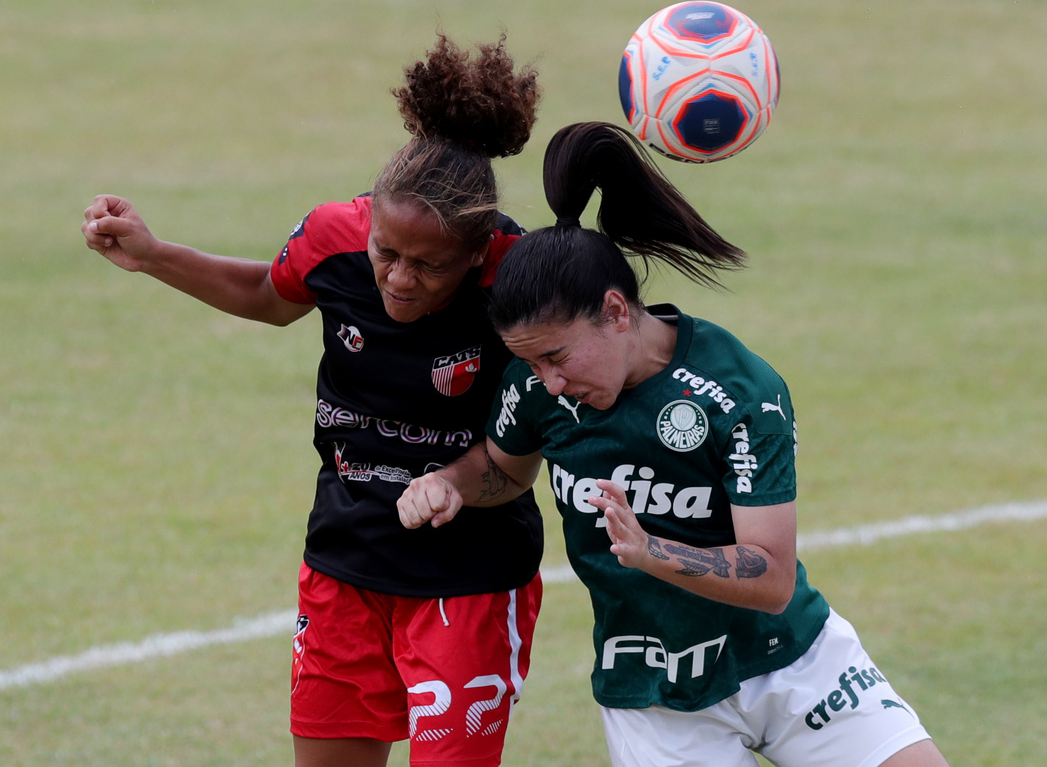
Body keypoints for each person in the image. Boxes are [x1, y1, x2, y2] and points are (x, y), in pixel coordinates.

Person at [397, 121, 950, 767]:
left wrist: (651, 551)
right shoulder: (538, 388)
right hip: (655, 695)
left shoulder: (737, 391)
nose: (550, 381)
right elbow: (503, 469)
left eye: (557, 356)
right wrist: (448, 483)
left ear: (616, 311)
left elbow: (771, 575)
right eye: (532, 363)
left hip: (789, 662)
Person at [81, 35, 545, 767]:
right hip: (344, 560)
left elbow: (519, 462)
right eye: (386, 252)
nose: (399, 278)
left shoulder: (519, 279)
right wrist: (154, 254)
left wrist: (453, 483)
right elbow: (268, 295)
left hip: (468, 580)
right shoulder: (333, 236)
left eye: (429, 266)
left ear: (476, 250)